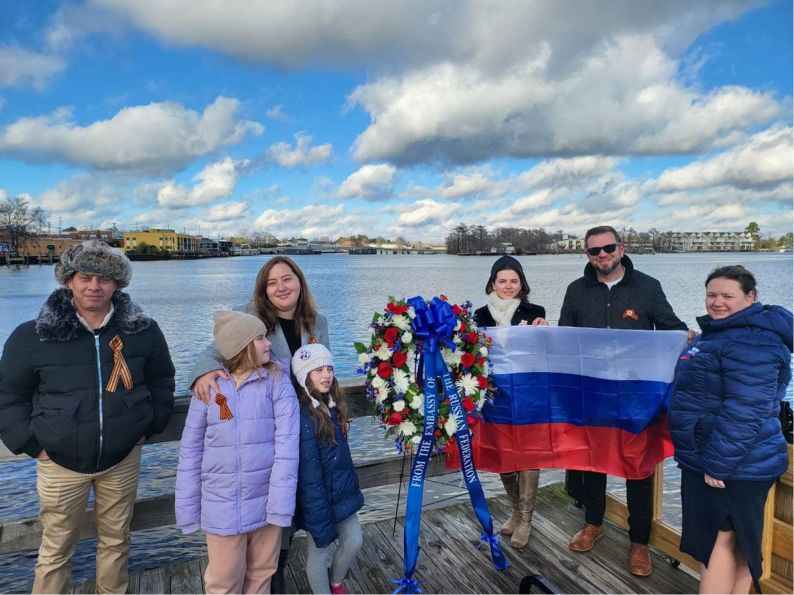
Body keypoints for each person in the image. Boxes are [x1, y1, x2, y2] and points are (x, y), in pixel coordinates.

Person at [0, 240, 175, 594]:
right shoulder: (32, 336)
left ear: (117, 284)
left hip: (122, 460)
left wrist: (148, 426)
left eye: (104, 278)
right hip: (58, 464)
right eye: (85, 276)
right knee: (55, 549)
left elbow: (162, 381)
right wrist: (33, 445)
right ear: (69, 280)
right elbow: (8, 396)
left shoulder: (143, 331)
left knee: (116, 542)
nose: (94, 286)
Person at [189, 255, 329, 592]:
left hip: (307, 427)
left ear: (300, 281)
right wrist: (205, 373)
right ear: (263, 291)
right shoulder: (251, 318)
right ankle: (275, 580)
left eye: (287, 278)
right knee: (273, 519)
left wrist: (333, 411)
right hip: (269, 429)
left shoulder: (318, 322)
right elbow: (211, 352)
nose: (281, 287)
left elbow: (323, 368)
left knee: (304, 502)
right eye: (272, 282)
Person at [558, 225, 689, 577]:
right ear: (586, 254)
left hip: (636, 398)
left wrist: (688, 339)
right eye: (594, 251)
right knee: (592, 463)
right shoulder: (576, 291)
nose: (602, 255)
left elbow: (672, 329)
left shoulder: (647, 287)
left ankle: (639, 541)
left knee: (639, 467)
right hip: (593, 395)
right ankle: (593, 523)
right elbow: (564, 341)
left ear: (622, 247)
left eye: (608, 248)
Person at [669, 265, 792, 594]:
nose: (717, 302)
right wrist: (689, 346)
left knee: (718, 541)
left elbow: (747, 407)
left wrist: (719, 462)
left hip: (730, 463)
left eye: (727, 295)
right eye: (711, 294)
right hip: (723, 458)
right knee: (738, 543)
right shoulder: (721, 333)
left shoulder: (755, 340)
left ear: (750, 297)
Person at [176, 310, 299, 594]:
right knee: (223, 579)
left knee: (261, 575)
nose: (269, 343)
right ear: (241, 347)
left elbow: (287, 446)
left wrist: (280, 504)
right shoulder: (209, 389)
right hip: (221, 504)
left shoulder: (277, 381)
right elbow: (191, 452)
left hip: (267, 499)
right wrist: (187, 507)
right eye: (259, 339)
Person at [473, 255, 548, 549]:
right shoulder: (479, 315)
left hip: (528, 393)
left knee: (528, 454)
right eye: (502, 280)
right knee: (503, 453)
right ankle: (516, 512)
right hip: (494, 395)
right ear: (492, 282)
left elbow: (544, 352)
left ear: (522, 284)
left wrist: (545, 331)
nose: (508, 286)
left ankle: (526, 519)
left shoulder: (535, 311)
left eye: (513, 281)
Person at [291, 344, 364, 595]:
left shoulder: (332, 407)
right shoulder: (305, 418)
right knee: (318, 553)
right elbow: (309, 477)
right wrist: (318, 515)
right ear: (304, 378)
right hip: (319, 501)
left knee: (354, 541)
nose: (326, 375)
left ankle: (336, 581)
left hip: (341, 493)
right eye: (317, 370)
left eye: (329, 368)